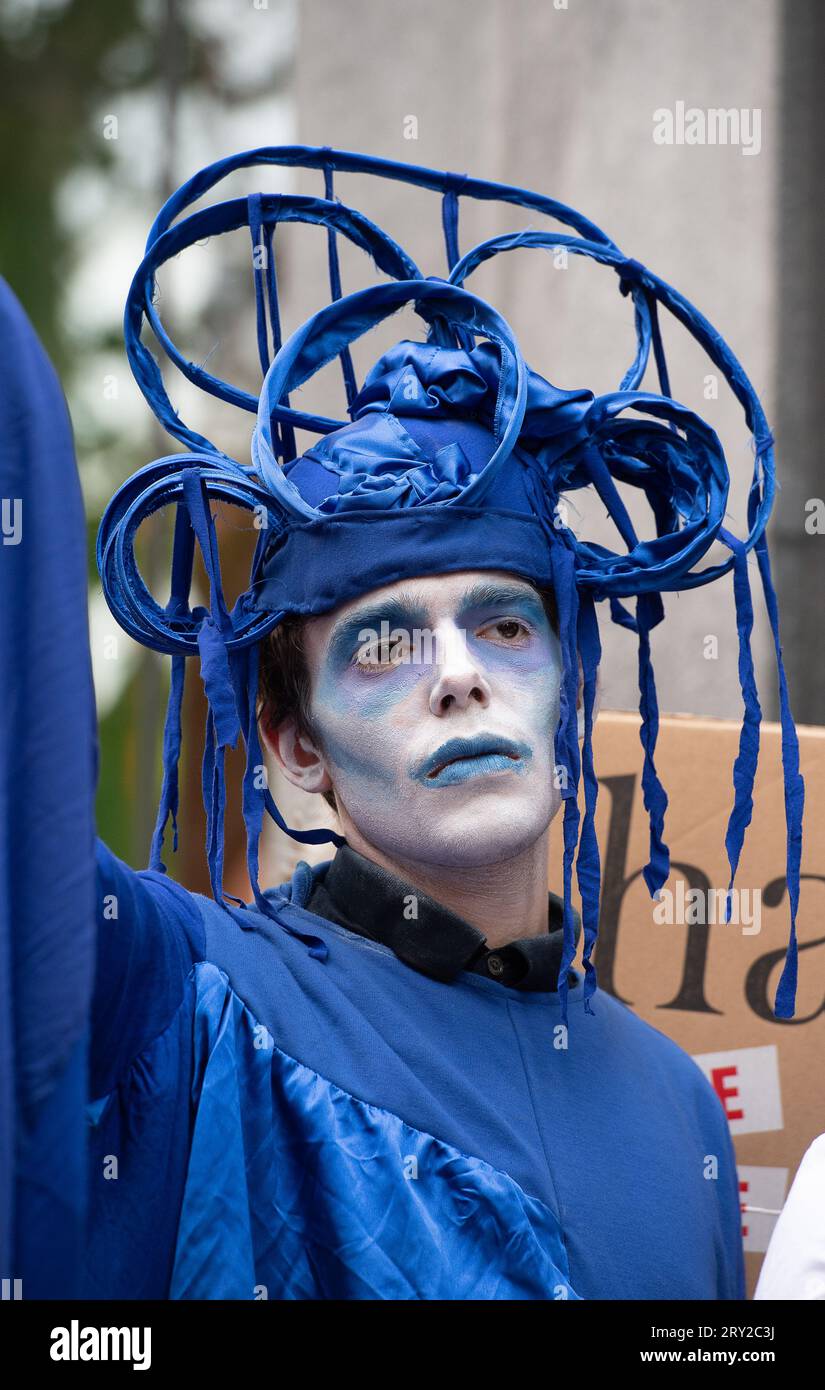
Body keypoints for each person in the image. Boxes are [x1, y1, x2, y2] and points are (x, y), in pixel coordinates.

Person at [3, 146, 805, 1301]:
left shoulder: (677, 1099)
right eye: (384, 643)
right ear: (295, 743)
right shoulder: (178, 994)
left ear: (569, 684)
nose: (459, 676)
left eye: (506, 627)